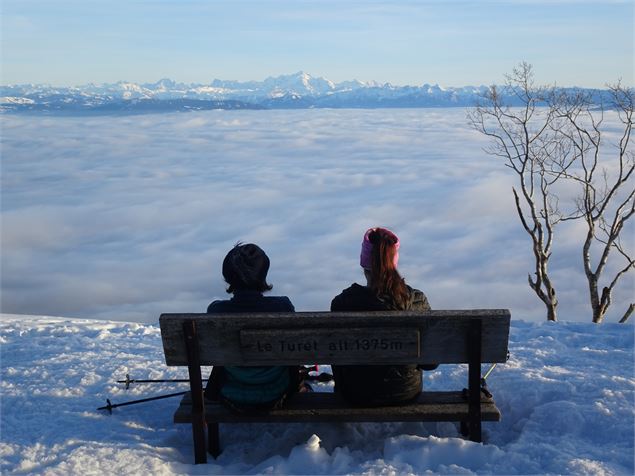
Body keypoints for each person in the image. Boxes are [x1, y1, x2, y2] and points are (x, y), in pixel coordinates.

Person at [330, 227, 436, 406]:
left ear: (364, 265)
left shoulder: (342, 303)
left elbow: (336, 357)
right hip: (405, 393)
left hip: (355, 393)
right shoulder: (417, 302)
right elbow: (431, 363)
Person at [204, 243, 301, 413]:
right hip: (277, 393)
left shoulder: (216, 311)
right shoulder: (282, 307)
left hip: (230, 395)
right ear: (264, 274)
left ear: (227, 276)